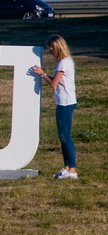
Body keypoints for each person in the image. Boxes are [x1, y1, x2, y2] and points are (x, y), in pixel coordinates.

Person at [32, 35, 78, 179]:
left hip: (65, 103)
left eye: (51, 49)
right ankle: (66, 167)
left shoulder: (64, 63)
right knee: (63, 136)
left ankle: (72, 170)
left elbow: (53, 84)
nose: (50, 52)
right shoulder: (64, 62)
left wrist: (42, 74)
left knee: (65, 137)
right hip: (64, 102)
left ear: (57, 47)